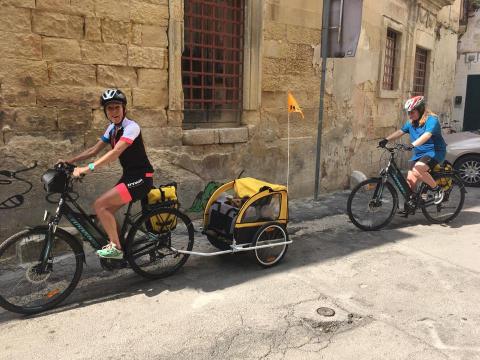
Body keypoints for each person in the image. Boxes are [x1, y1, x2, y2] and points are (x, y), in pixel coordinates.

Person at [63, 89, 154, 259]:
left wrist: (86, 168)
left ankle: (116, 248)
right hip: (129, 177)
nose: (114, 112)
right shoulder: (112, 129)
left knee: (100, 205)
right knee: (105, 211)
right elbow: (93, 150)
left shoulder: (131, 127)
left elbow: (115, 152)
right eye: (110, 108)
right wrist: (70, 161)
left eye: (117, 107)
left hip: (142, 178)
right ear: (105, 111)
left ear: (124, 108)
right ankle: (120, 244)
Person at [379, 95, 447, 213]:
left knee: (418, 168)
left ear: (420, 110)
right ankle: (411, 205)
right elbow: (401, 131)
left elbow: (427, 135)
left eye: (412, 112)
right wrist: (386, 139)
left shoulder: (432, 120)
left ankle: (437, 190)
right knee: (410, 181)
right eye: (408, 112)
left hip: (434, 152)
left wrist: (412, 145)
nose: (409, 115)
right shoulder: (412, 122)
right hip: (420, 154)